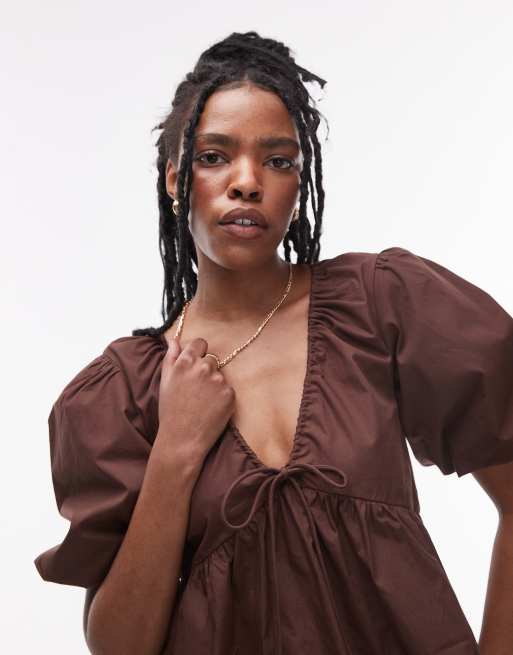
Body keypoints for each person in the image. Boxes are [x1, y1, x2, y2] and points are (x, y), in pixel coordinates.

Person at [34, 30, 513, 655]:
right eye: (214, 156)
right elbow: (119, 646)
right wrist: (176, 452)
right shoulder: (123, 394)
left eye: (278, 160)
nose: (247, 182)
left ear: (299, 182)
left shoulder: (381, 308)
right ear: (176, 180)